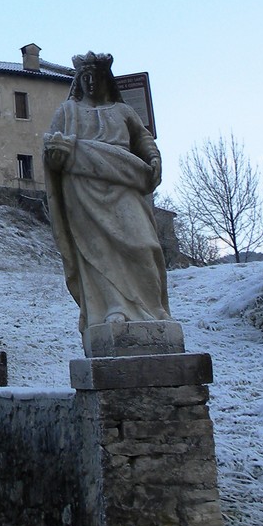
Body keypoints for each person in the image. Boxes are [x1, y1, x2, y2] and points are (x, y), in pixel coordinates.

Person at [42, 52, 171, 338]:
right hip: (83, 190)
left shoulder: (123, 112)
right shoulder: (67, 111)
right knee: (98, 252)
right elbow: (51, 147)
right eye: (84, 77)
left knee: (144, 245)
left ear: (105, 80)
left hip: (124, 182)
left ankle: (152, 307)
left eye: (94, 77)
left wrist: (153, 159)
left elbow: (143, 140)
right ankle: (114, 307)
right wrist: (57, 154)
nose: (89, 83)